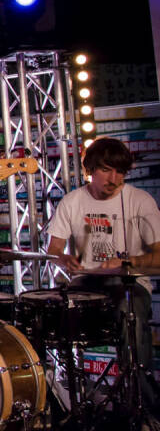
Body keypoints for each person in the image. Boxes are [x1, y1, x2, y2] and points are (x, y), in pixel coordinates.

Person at [46, 137, 160, 379]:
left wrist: (128, 263)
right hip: (87, 283)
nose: (114, 179)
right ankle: (68, 393)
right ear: (91, 170)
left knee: (131, 317)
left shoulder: (139, 201)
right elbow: (53, 250)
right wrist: (64, 259)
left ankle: (141, 403)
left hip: (130, 284)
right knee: (46, 312)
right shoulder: (72, 201)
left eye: (120, 172)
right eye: (106, 170)